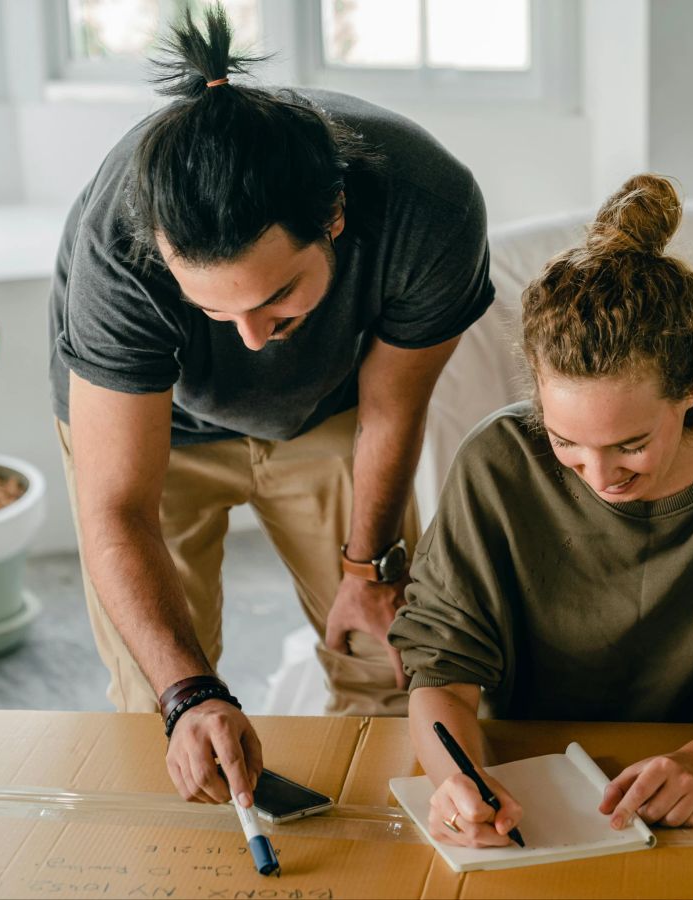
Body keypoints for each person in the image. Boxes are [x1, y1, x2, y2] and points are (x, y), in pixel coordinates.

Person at [48, 5, 494, 810]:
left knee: (386, 661)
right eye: (216, 312)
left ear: (333, 217)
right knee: (164, 701)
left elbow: (392, 411)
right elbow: (118, 506)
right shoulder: (116, 244)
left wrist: (367, 567)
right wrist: (189, 694)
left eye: (278, 298)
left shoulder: (432, 208)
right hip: (153, 431)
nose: (251, 340)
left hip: (329, 413)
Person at [388, 174, 693, 848]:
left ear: (691, 382)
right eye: (565, 442)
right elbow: (443, 671)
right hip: (526, 789)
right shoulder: (495, 463)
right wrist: (454, 781)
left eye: (631, 445)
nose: (600, 477)